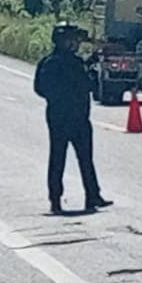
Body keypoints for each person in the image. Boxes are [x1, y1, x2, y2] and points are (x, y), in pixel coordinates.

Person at [33, 23, 113, 215]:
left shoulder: (52, 62)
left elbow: (39, 89)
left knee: (66, 158)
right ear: (64, 42)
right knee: (75, 158)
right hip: (70, 117)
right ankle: (78, 197)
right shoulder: (64, 64)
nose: (76, 44)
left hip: (65, 116)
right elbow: (88, 86)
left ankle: (78, 197)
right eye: (73, 41)